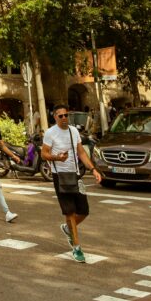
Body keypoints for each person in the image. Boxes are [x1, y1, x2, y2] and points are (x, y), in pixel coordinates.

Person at [41, 103, 102, 263]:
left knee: (83, 210)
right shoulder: (50, 133)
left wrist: (93, 169)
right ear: (55, 117)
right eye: (60, 116)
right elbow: (44, 154)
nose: (64, 118)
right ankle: (76, 248)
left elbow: (81, 152)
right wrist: (57, 158)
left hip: (74, 175)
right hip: (59, 176)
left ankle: (67, 228)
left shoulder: (73, 131)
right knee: (69, 212)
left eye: (66, 115)